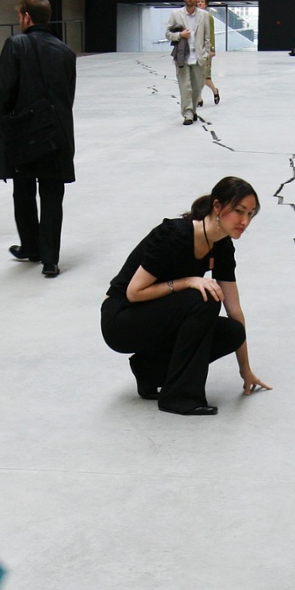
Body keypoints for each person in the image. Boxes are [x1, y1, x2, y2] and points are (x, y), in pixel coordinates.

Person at [100, 176, 272, 416]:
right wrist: (187, 281)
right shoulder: (173, 235)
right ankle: (180, 397)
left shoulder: (221, 245)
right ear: (217, 207)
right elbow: (134, 292)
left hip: (157, 318)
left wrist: (245, 370)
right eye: (239, 211)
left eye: (251, 214)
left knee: (233, 331)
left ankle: (149, 370)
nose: (245, 221)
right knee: (207, 296)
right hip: (121, 320)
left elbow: (234, 310)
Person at [0, 0, 77, 278]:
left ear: (27, 17)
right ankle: (50, 260)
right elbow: (68, 97)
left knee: (24, 190)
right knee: (53, 195)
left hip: (24, 134)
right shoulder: (66, 52)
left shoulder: (16, 45)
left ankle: (31, 247)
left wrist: (3, 122)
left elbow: (3, 90)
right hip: (57, 134)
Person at [166, 0, 211, 124]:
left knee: (197, 87)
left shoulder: (204, 15)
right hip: (182, 56)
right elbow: (168, 34)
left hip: (198, 57)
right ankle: (188, 114)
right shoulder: (176, 14)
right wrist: (180, 35)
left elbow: (207, 37)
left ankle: (193, 110)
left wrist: (206, 54)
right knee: (185, 87)